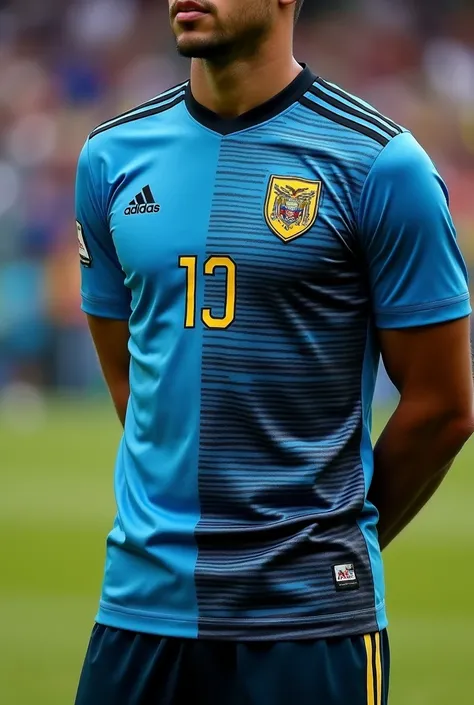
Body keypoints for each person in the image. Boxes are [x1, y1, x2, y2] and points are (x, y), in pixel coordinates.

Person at [73, 1, 474, 703]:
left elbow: (444, 406)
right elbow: (131, 379)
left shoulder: (382, 164)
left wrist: (331, 540)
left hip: (310, 622)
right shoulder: (111, 157)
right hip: (138, 610)